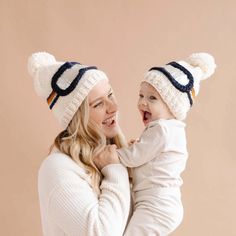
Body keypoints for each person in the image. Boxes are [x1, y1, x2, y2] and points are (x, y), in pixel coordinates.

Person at [27, 52, 131, 236]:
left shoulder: (112, 156)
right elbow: (102, 233)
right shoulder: (57, 168)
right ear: (78, 118)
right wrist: (114, 170)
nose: (114, 107)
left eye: (110, 95)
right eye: (98, 104)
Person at [114, 53, 216, 235]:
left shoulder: (161, 129)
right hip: (163, 203)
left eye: (152, 98)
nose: (142, 102)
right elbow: (151, 158)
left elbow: (133, 158)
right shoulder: (173, 130)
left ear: (172, 106)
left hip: (156, 206)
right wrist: (138, 147)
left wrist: (113, 154)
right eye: (141, 95)